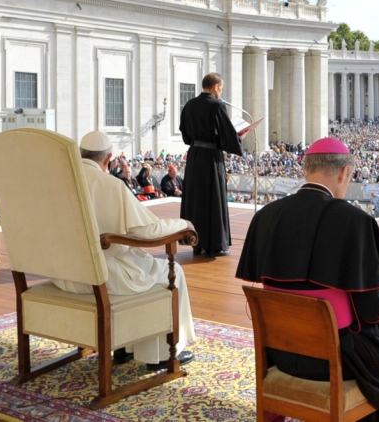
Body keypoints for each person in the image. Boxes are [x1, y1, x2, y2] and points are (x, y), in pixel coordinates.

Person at [236, 137, 379, 421]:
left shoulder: (266, 216)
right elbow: (372, 313)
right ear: (344, 172)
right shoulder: (356, 222)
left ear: (306, 170)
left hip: (281, 354)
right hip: (337, 361)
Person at [52, 131, 196, 369]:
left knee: (143, 267)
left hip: (66, 276)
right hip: (105, 277)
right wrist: (183, 225)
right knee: (171, 273)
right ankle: (161, 355)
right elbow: (148, 231)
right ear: (108, 159)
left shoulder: (61, 181)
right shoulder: (110, 185)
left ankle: (123, 348)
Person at [179, 73, 243, 257]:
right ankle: (215, 245)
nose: (221, 92)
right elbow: (227, 136)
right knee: (213, 199)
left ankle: (197, 243)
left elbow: (185, 136)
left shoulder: (189, 105)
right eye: (221, 88)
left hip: (194, 157)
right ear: (216, 87)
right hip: (210, 158)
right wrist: (239, 138)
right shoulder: (217, 105)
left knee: (196, 199)